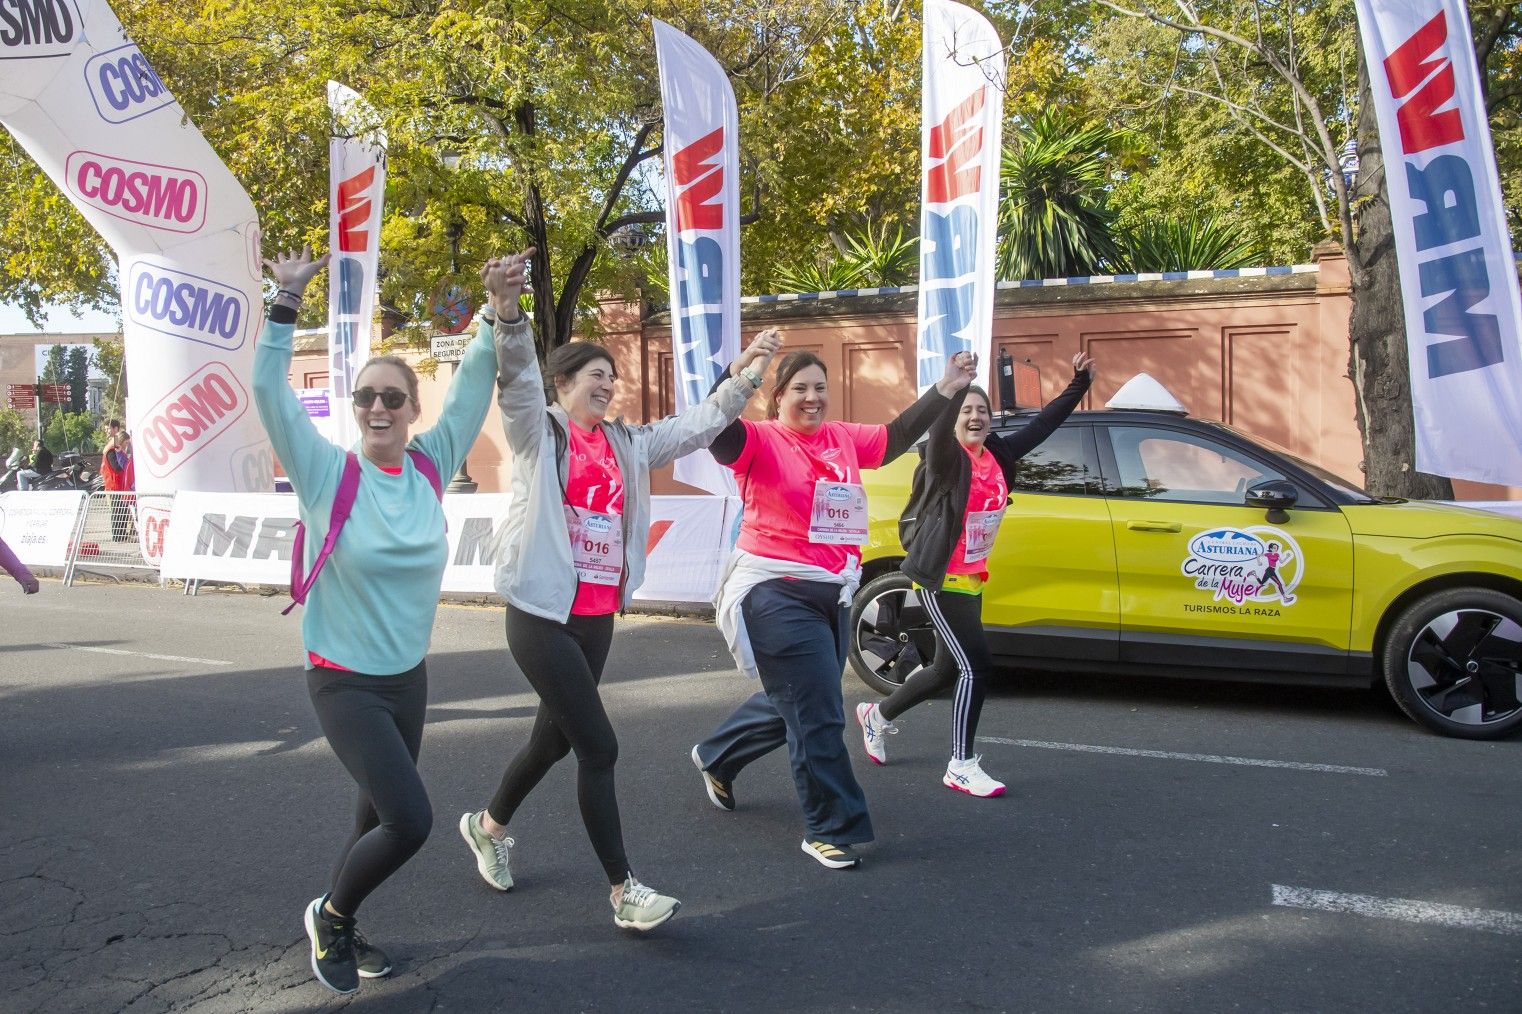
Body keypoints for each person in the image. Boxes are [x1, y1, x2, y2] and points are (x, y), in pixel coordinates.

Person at [458, 257, 782, 931]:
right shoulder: (538, 432)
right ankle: (622, 890)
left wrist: (747, 372)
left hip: (597, 615)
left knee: (552, 743)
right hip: (541, 614)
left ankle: (487, 826)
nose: (606, 386)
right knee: (598, 748)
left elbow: (697, 423)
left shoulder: (628, 443)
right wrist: (507, 313)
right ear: (566, 384)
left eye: (611, 377)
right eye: (594, 377)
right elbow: (516, 381)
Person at [252, 244, 525, 996]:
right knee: (410, 820)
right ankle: (331, 913)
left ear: (411, 410)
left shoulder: (432, 463)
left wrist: (499, 305)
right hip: (344, 682)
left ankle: (347, 919)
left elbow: (473, 385)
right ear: (355, 406)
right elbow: (268, 394)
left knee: (374, 816)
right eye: (367, 396)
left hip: (408, 680)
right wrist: (285, 303)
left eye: (393, 398)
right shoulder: (326, 471)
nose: (378, 407)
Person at [691, 347, 976, 870]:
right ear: (777, 398)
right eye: (799, 388)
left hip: (833, 589)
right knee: (820, 710)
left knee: (799, 699)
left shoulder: (843, 437)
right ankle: (828, 827)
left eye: (819, 387)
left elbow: (895, 436)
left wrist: (948, 388)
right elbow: (718, 429)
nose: (812, 397)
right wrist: (732, 376)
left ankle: (718, 755)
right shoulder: (759, 439)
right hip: (774, 589)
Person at [856, 353, 1095, 797]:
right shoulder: (946, 459)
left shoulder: (997, 455)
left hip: (971, 578)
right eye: (967, 410)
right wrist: (955, 388)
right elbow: (940, 428)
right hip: (939, 576)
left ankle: (878, 715)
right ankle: (960, 764)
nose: (975, 416)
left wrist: (1079, 382)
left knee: (948, 670)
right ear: (954, 420)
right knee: (976, 667)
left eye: (981, 410)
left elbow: (1043, 426)